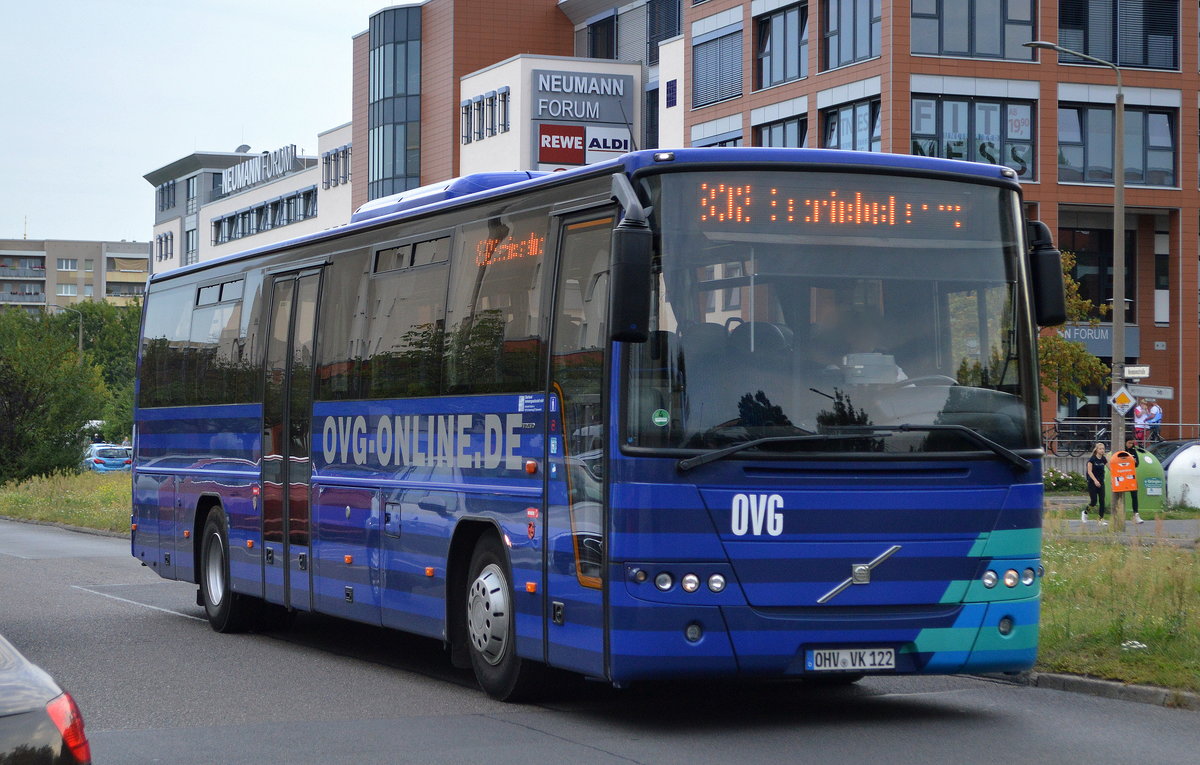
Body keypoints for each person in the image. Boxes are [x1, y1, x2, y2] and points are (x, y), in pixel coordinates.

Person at [1111, 438, 1145, 524]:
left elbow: (1137, 464)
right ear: (1125, 442)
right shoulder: (1121, 450)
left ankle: (1136, 514)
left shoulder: (1133, 451)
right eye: (1129, 443)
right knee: (1119, 495)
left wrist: (1133, 460)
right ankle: (1118, 514)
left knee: (1134, 494)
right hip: (1121, 475)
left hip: (1130, 475)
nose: (1130, 445)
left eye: (1132, 443)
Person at [1083, 442, 1107, 525]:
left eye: (1103, 449)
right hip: (1092, 482)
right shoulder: (1092, 459)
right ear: (1096, 450)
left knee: (1102, 501)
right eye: (1100, 449)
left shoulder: (1103, 459)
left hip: (1101, 482)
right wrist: (1095, 481)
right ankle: (1085, 513)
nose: (1102, 450)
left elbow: (1111, 468)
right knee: (1094, 501)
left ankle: (1100, 520)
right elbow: (1089, 471)